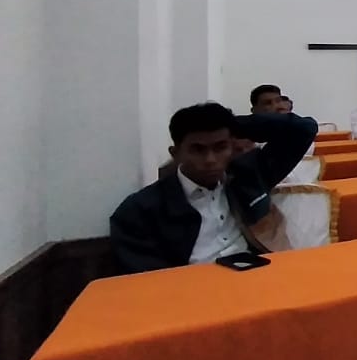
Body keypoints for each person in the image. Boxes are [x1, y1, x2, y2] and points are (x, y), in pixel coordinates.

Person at [110, 103, 318, 272]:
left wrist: (233, 125)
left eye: (220, 147)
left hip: (263, 274)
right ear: (176, 153)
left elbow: (304, 128)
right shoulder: (141, 209)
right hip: (195, 293)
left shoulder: (249, 175)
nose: (210, 160)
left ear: (232, 147)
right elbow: (149, 280)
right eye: (198, 150)